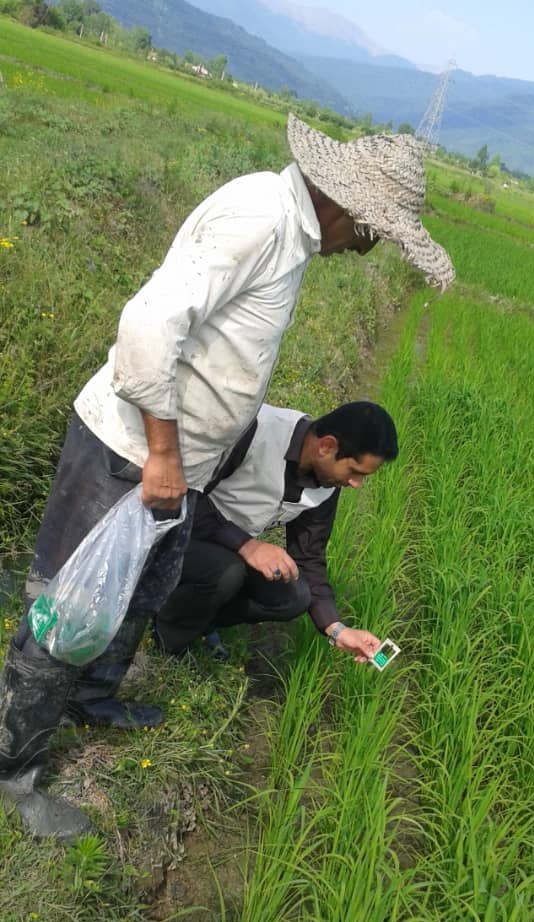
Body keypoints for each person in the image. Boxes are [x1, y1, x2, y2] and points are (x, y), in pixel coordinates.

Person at [0, 114, 454, 841]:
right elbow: (148, 325)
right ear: (349, 209)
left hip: (177, 463)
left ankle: (93, 697)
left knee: (139, 593)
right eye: (372, 235)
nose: (364, 250)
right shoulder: (261, 221)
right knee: (68, 611)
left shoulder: (293, 239)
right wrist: (163, 455)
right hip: (129, 447)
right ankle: (15, 777)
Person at [154, 401, 398, 660]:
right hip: (173, 531)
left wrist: (336, 629)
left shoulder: (326, 484)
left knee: (294, 596)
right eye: (354, 471)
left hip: (223, 549)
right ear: (327, 446)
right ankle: (166, 639)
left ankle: (195, 617)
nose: (356, 483)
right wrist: (248, 545)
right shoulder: (255, 430)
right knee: (227, 571)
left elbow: (309, 556)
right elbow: (184, 495)